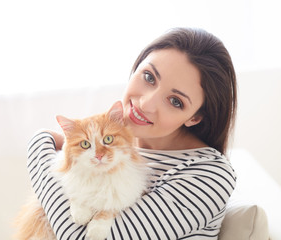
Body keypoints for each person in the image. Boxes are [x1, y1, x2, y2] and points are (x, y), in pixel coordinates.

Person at [27, 27, 237, 239]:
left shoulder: (208, 175)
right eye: (149, 77)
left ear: (194, 118)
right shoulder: (112, 147)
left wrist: (40, 141)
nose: (146, 104)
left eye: (175, 101)